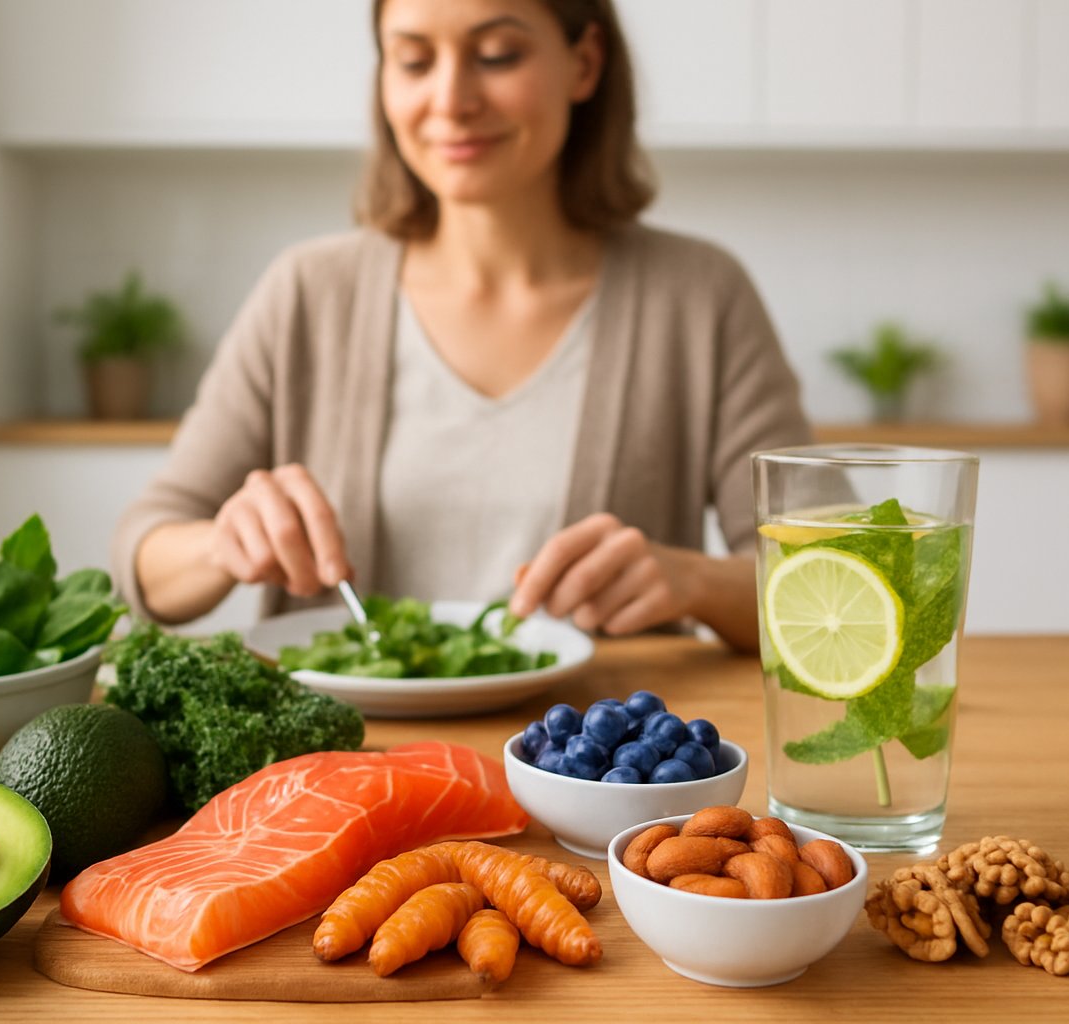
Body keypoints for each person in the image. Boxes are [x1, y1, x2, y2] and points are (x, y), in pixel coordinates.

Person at [110, 0, 811, 653]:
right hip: (342, 772)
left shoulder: (699, 295)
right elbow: (143, 559)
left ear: (585, 62)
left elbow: (826, 579)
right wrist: (221, 545)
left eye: (499, 55)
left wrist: (693, 581)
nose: (450, 101)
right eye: (414, 62)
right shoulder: (308, 292)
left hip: (590, 777)